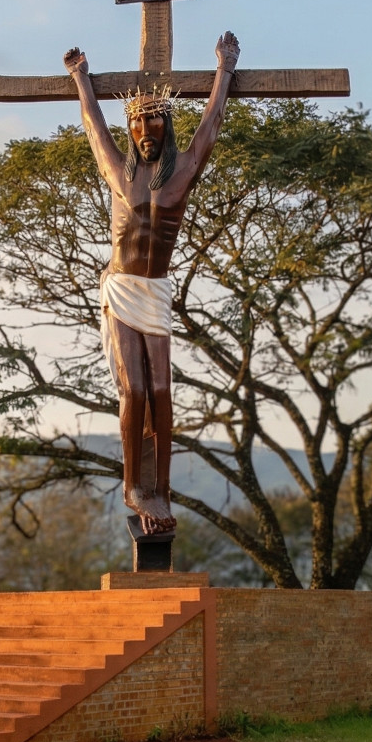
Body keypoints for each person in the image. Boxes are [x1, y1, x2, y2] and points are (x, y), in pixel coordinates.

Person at [62, 32, 240, 533]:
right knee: (134, 387)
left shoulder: (183, 172)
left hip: (155, 292)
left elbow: (211, 126)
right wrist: (81, 78)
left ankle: (160, 489)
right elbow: (94, 128)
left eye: (155, 118)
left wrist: (224, 71)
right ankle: (133, 486)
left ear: (167, 126)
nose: (145, 126)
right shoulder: (119, 173)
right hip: (121, 289)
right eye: (138, 119)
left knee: (163, 389)